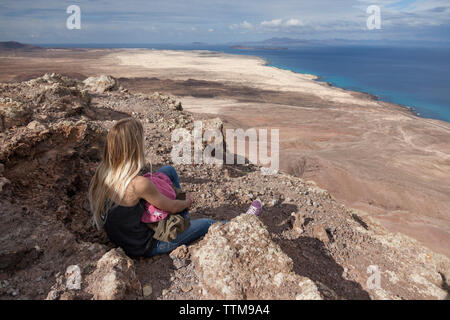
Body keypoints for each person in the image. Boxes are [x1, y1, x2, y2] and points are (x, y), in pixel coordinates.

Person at [88, 117, 262, 258]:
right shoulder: (138, 184)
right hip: (147, 244)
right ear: (134, 147)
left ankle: (181, 218)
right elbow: (170, 206)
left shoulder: (103, 172)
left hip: (125, 236)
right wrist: (186, 202)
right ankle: (242, 223)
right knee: (206, 224)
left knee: (168, 171)